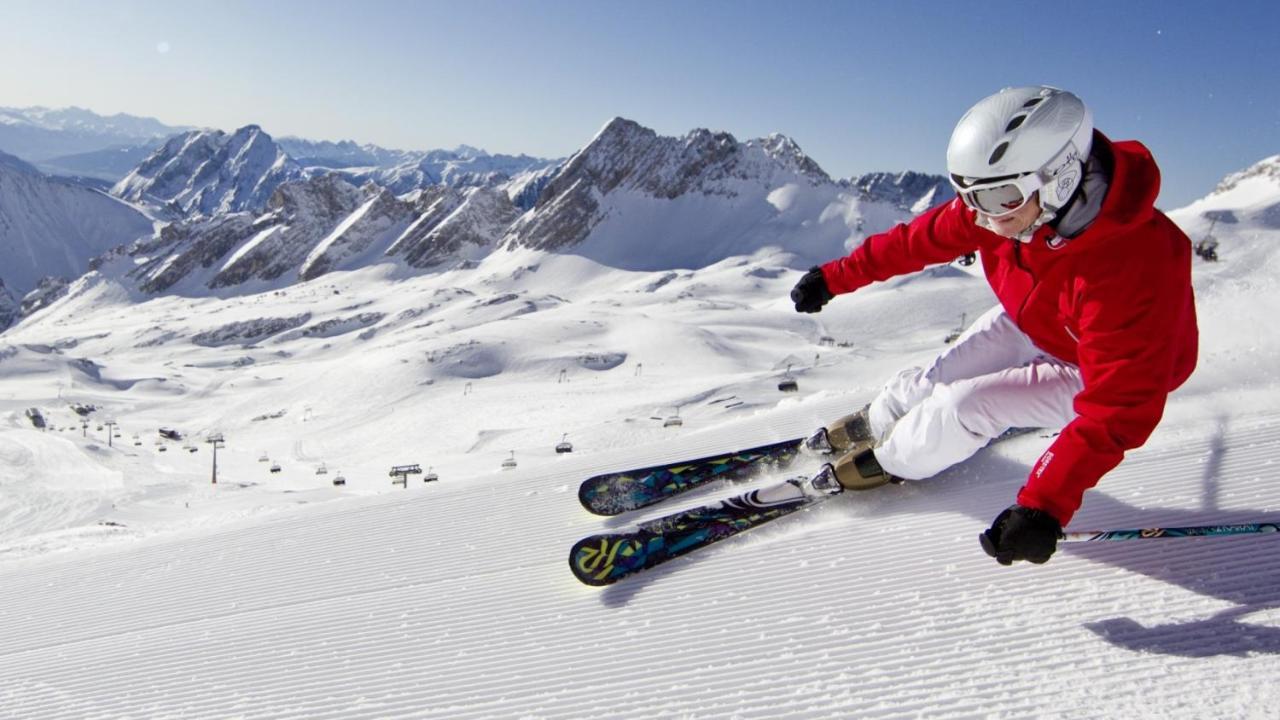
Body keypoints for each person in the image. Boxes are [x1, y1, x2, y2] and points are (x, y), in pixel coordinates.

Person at [790, 86, 1198, 565]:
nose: (980, 215)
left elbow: (1118, 411)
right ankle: (879, 418)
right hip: (1036, 321)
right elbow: (917, 241)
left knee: (966, 404)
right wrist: (835, 278)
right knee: (935, 378)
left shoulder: (1133, 267)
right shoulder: (1003, 209)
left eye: (998, 197)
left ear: (1061, 178)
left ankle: (889, 460)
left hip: (1096, 370)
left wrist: (1043, 506)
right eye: (968, 195)